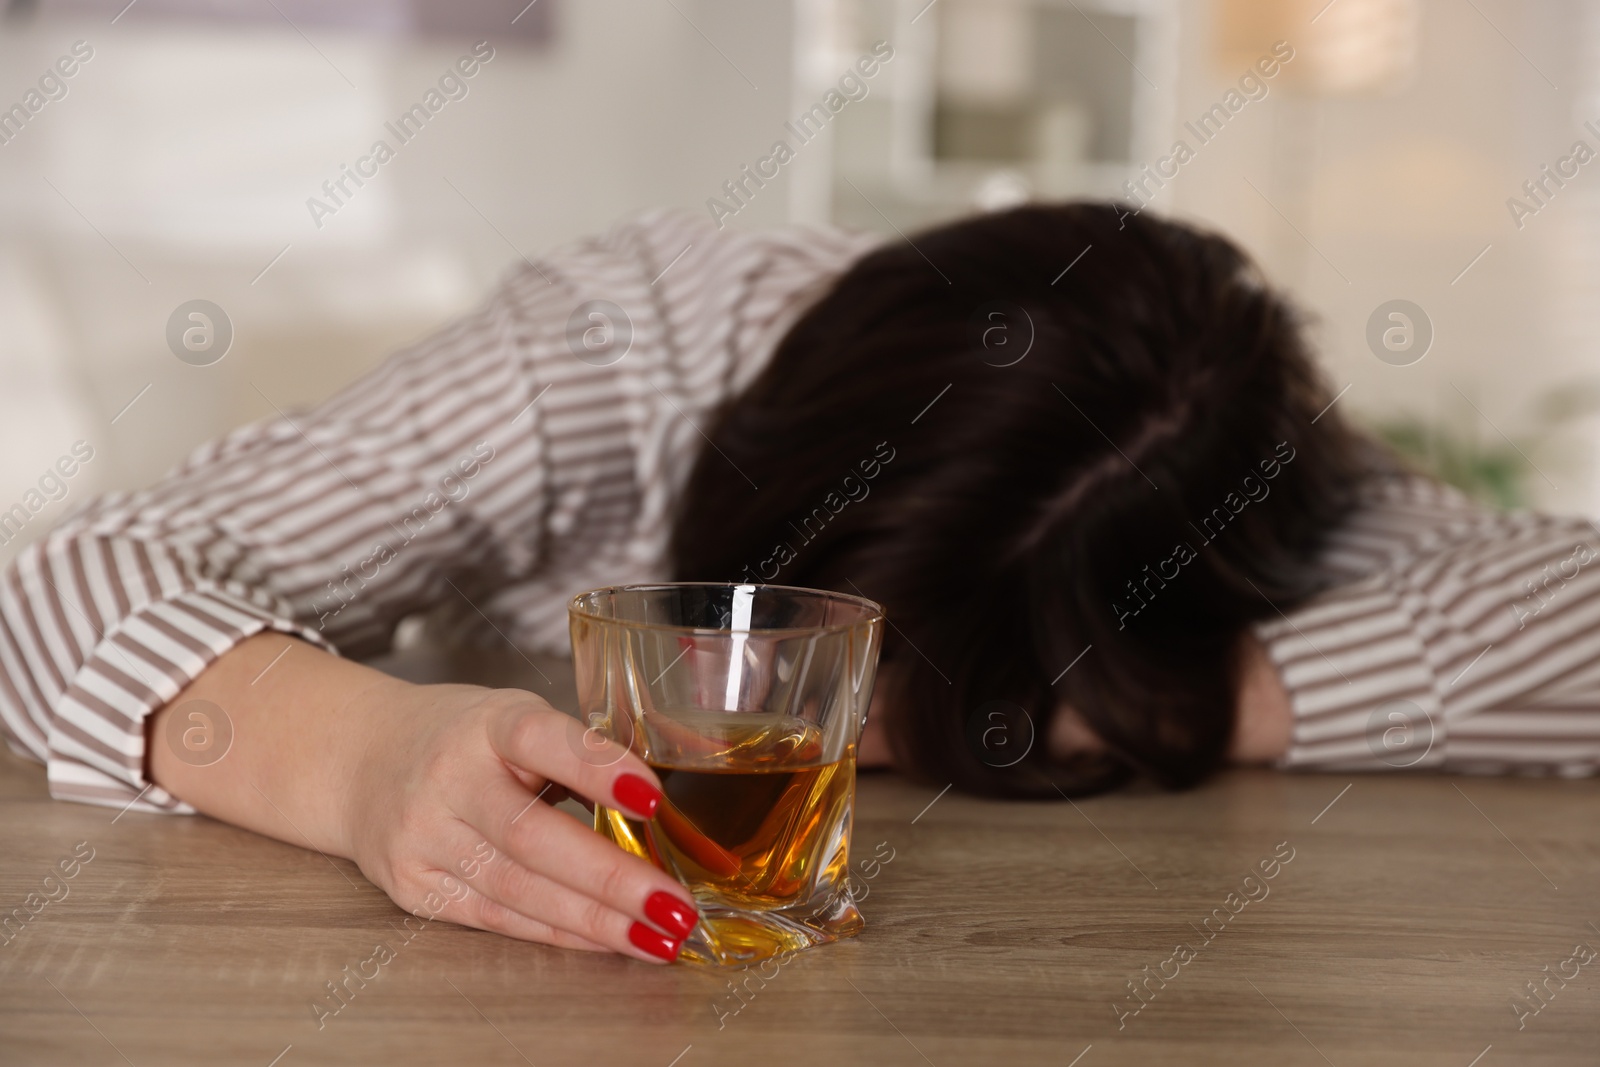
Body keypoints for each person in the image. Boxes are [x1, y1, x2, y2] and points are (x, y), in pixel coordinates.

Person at [2, 203, 1596, 965]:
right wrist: (366, 763)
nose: (888, 731)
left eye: (967, 697)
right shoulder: (622, 349)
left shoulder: (1239, 467)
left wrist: (1152, 694)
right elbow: (64, 580)